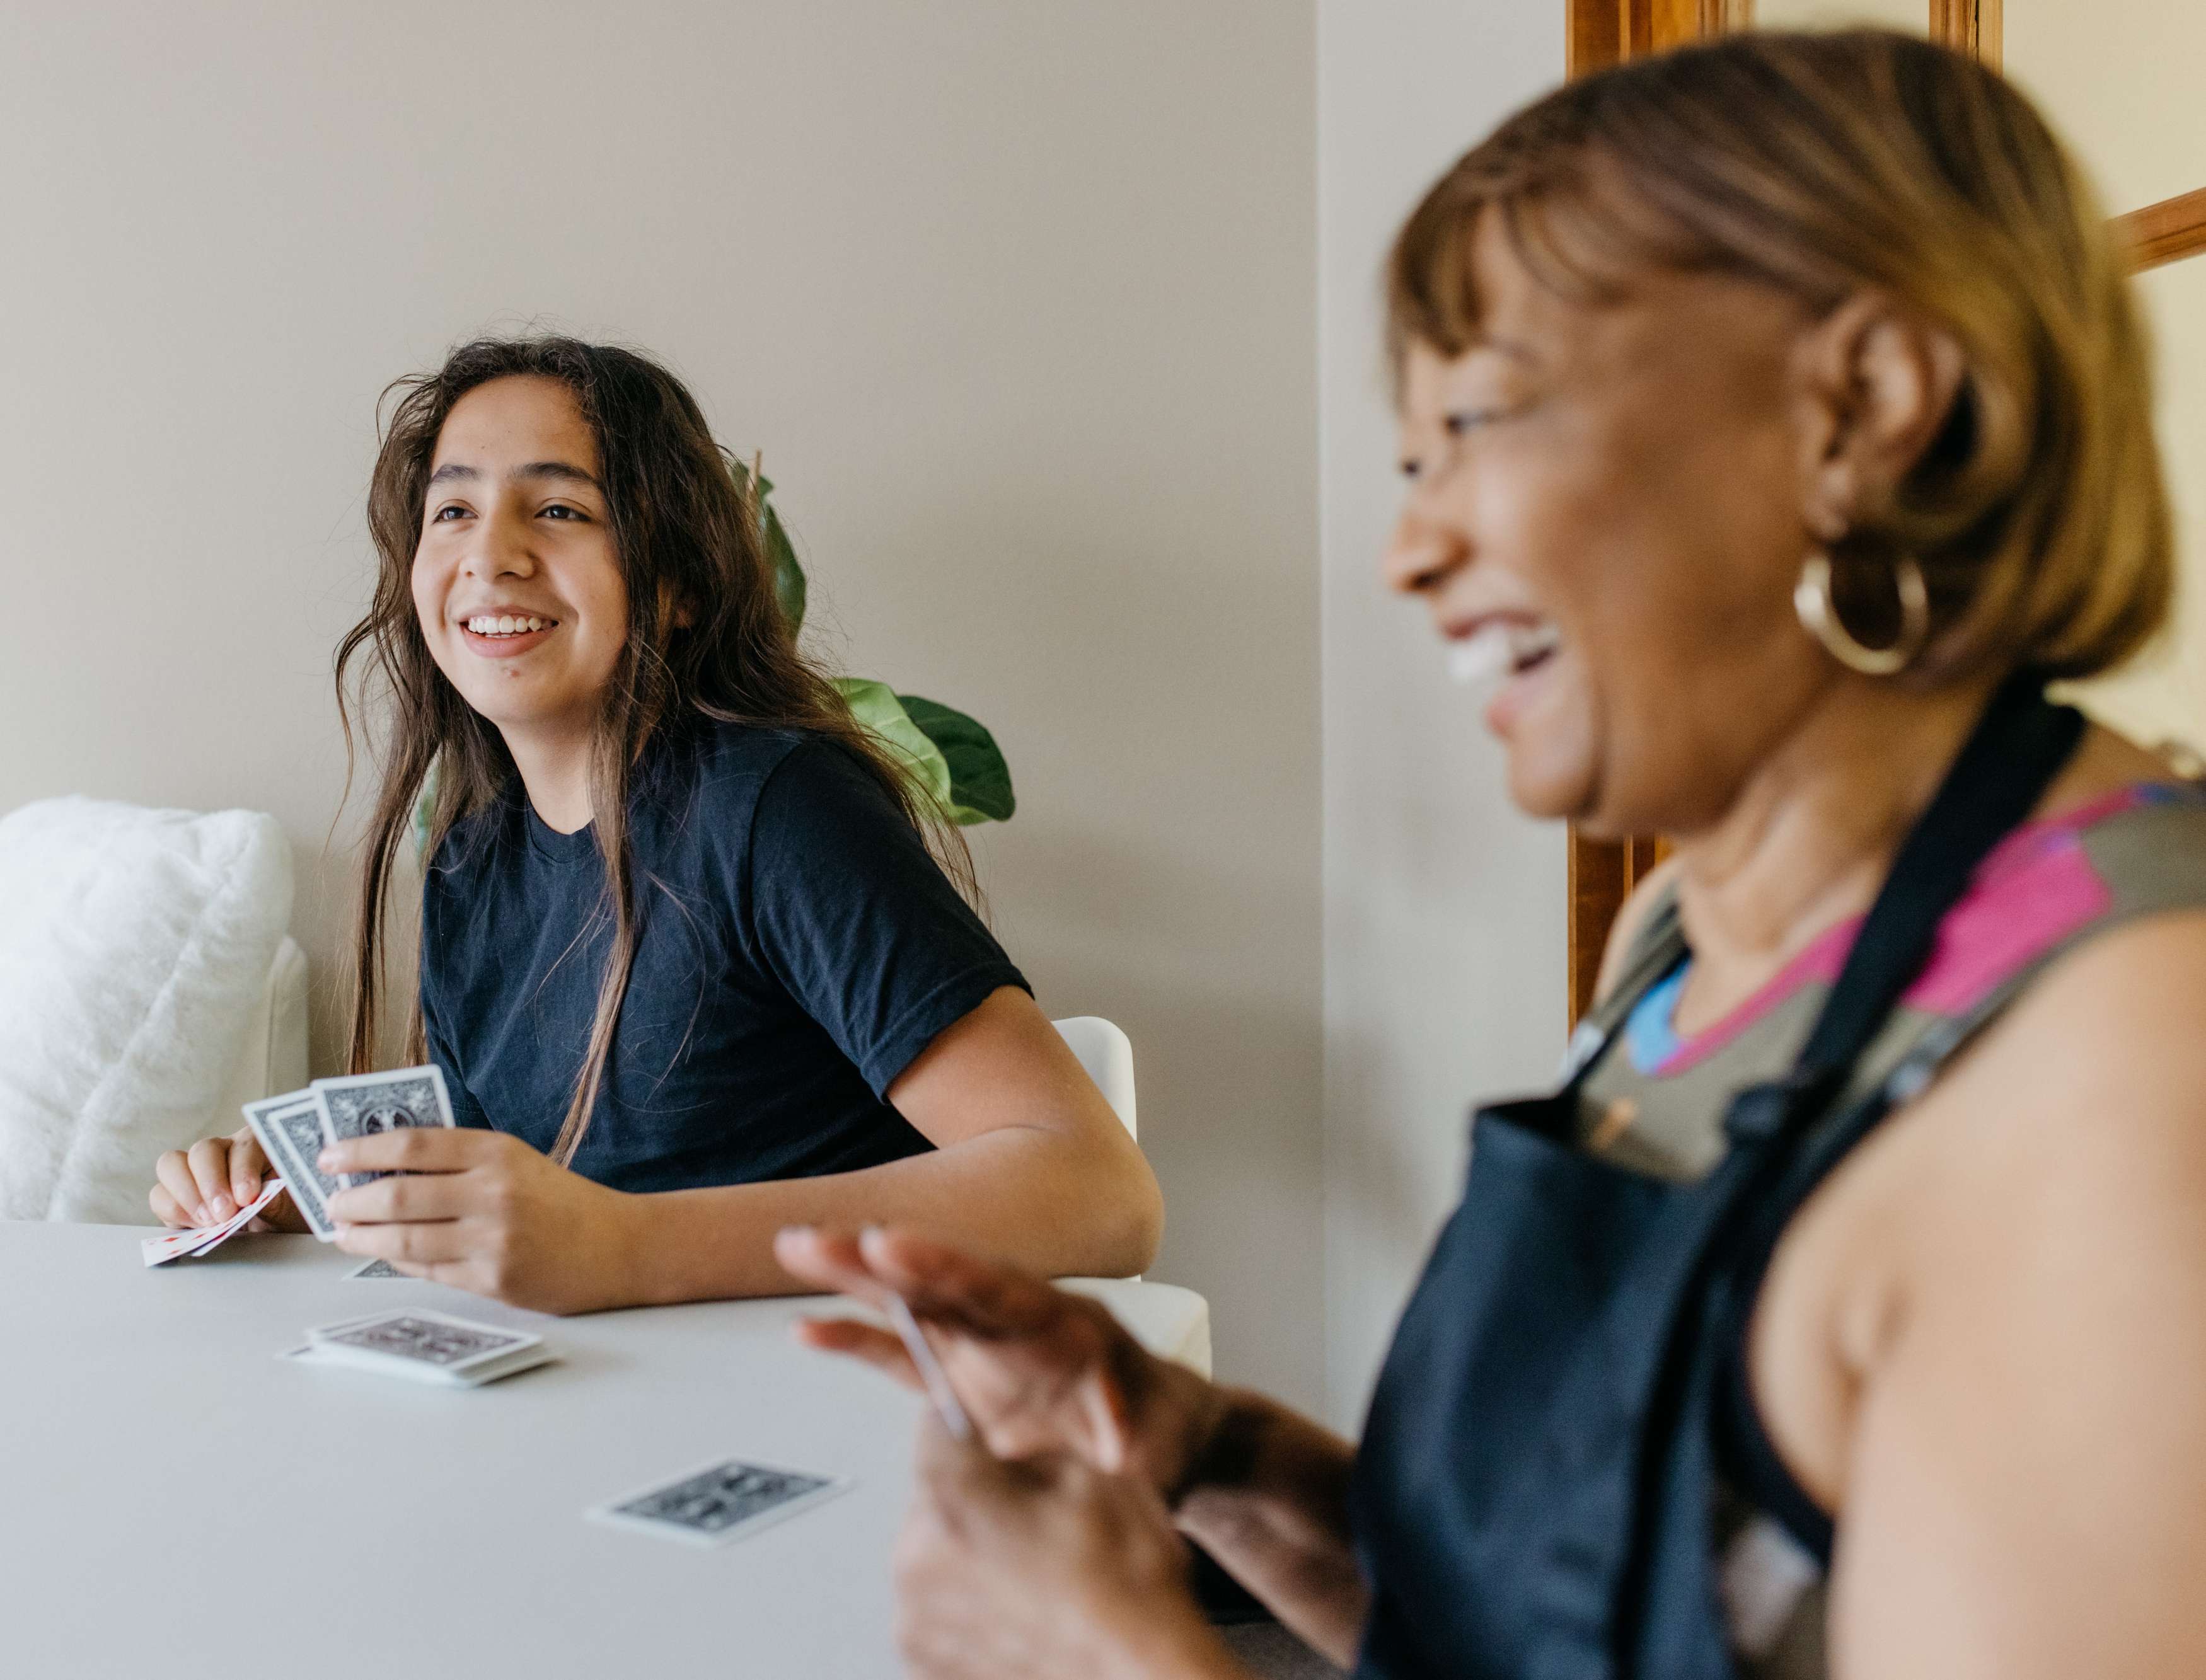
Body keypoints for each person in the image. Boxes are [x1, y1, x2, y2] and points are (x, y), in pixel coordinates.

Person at [780, 30, 2206, 1679]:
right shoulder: (1675, 939)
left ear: (1865, 407)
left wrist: (1119, 1659)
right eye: (1409, 459)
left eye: (1482, 417)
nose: (1410, 545)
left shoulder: (2127, 1073)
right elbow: (1570, 1623)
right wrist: (1200, 1453)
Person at [149, 337, 1162, 1313]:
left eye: (557, 508)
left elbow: (1099, 1193)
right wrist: (313, 1193)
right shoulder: (470, 860)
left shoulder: (777, 809)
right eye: (451, 509)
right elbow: (515, 1188)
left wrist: (625, 1244)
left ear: (674, 584)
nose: (489, 554)